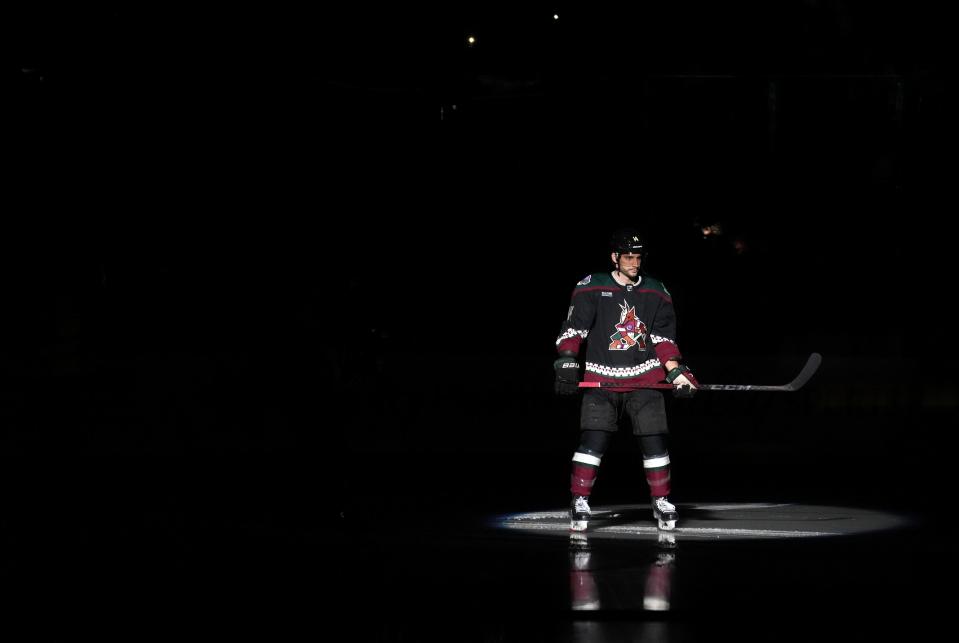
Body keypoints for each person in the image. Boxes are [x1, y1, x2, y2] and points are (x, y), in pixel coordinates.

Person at [554, 228, 699, 532]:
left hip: (645, 379)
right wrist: (567, 360)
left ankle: (661, 500)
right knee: (592, 440)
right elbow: (574, 328)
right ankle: (579, 500)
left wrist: (676, 372)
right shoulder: (592, 286)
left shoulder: (657, 290)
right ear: (614, 257)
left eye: (638, 257)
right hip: (601, 379)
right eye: (628, 257)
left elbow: (662, 338)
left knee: (654, 440)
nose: (634, 263)